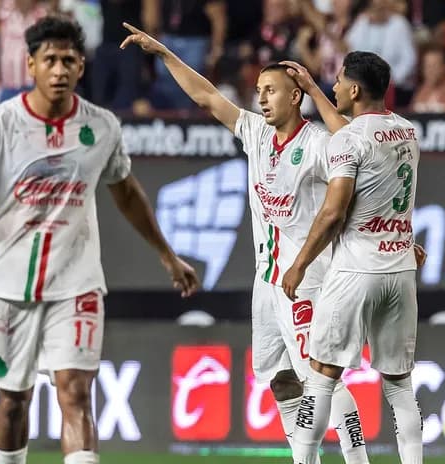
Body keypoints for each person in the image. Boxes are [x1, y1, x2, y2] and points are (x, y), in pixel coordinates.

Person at [0, 16, 199, 464]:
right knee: (13, 402)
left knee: (76, 392)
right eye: (49, 59)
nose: (59, 69)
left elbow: (127, 193)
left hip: (77, 284)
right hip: (9, 286)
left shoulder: (102, 127)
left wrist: (167, 256)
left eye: (68, 60)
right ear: (29, 64)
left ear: (81, 68)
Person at [121, 21, 372, 464]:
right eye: (258, 89)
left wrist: (317, 90)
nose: (261, 97)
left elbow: (356, 149)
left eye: (271, 89)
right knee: (280, 380)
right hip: (266, 282)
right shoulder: (256, 133)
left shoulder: (315, 143)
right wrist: (163, 53)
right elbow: (207, 96)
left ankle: (359, 461)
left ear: (294, 96)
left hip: (306, 279)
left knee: (321, 379)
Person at [282, 51, 423, 464]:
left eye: (339, 81)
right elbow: (358, 137)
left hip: (355, 271)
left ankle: (305, 460)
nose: (335, 87)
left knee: (322, 378)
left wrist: (300, 264)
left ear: (356, 89)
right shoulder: (406, 132)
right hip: (400, 270)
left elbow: (333, 212)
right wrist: (310, 88)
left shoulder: (346, 141)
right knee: (399, 384)